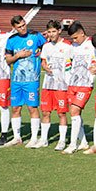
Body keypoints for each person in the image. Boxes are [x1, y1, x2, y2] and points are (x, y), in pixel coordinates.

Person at [4, 15, 46, 147]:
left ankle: (34, 138)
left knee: (32, 107)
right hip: (16, 80)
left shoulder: (35, 36)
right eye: (19, 27)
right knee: (15, 108)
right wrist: (18, 55)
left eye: (23, 25)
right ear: (14, 28)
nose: (22, 28)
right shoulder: (11, 40)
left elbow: (48, 48)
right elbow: (8, 60)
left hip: (32, 80)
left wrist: (41, 54)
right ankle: (17, 137)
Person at [39, 20, 73, 150]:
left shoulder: (68, 46)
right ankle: (43, 139)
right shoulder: (46, 46)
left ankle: (62, 141)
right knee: (46, 112)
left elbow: (72, 63)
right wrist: (45, 66)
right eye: (49, 32)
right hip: (48, 84)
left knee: (61, 114)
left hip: (62, 85)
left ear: (59, 31)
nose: (51, 34)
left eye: (54, 31)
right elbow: (43, 61)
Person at [62, 21, 93, 154]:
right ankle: (84, 142)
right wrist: (68, 78)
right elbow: (68, 62)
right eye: (72, 38)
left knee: (74, 111)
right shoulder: (72, 47)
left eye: (76, 37)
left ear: (82, 33)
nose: (74, 40)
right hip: (72, 84)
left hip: (85, 85)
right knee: (74, 113)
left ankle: (73, 144)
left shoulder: (92, 44)